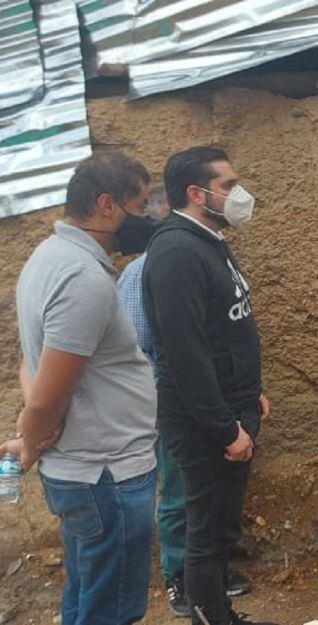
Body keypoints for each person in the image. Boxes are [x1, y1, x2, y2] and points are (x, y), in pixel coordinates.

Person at [1, 152, 158, 624]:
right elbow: (48, 395)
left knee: (85, 595)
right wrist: (30, 439)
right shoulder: (82, 277)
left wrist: (34, 434)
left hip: (88, 470)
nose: (148, 218)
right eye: (142, 204)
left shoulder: (49, 257)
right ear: (107, 205)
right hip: (106, 474)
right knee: (110, 610)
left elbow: (32, 366)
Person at [142, 146, 273, 625]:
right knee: (205, 530)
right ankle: (210, 619)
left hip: (231, 407)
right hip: (204, 423)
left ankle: (222, 614)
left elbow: (225, 328)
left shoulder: (208, 240)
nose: (239, 194)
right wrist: (224, 427)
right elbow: (185, 354)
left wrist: (248, 392)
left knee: (219, 527)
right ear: (196, 194)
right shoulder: (176, 251)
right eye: (228, 185)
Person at [115, 191, 252, 619]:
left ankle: (207, 581)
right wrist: (186, 401)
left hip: (205, 399)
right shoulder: (143, 272)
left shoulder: (206, 257)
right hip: (173, 402)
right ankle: (179, 577)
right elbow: (145, 350)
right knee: (179, 495)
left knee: (205, 502)